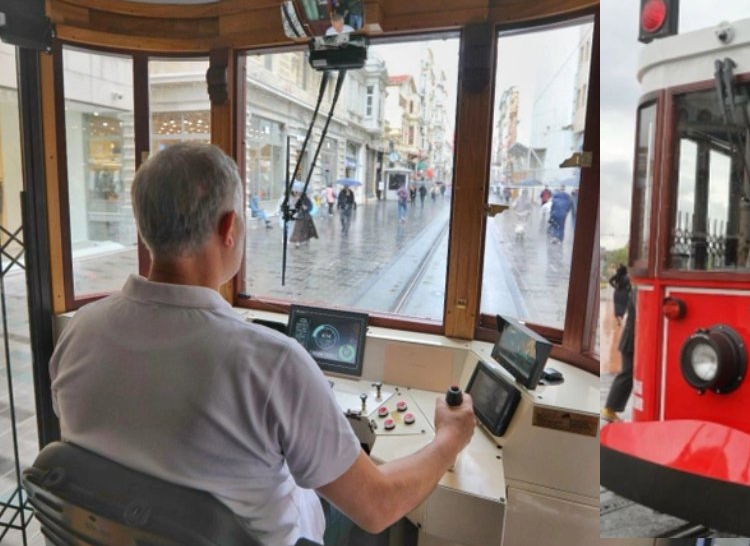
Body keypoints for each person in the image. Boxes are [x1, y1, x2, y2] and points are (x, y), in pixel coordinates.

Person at [49, 144, 476, 545]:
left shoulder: (79, 333)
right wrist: (448, 441)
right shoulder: (273, 363)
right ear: (229, 227)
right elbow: (377, 505)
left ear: (144, 227)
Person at [602, 295, 636, 423]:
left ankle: (611, 408)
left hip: (630, 340)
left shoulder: (636, 291)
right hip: (630, 341)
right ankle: (610, 408)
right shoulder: (639, 291)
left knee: (628, 373)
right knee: (627, 373)